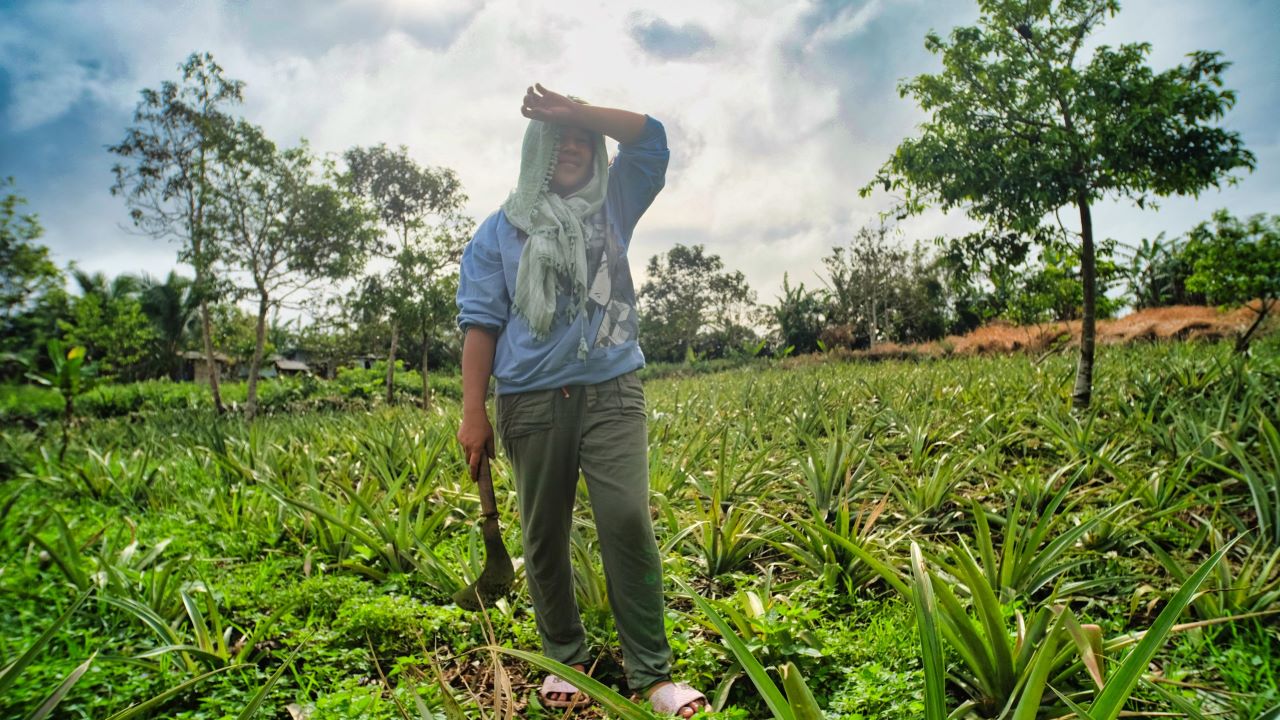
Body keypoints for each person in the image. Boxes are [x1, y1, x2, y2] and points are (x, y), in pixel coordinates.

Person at [455, 84, 707, 718]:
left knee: (626, 519)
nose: (569, 146)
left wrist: (574, 111)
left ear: (595, 148)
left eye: (580, 138)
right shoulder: (500, 232)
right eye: (556, 137)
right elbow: (480, 323)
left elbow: (650, 135)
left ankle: (651, 673)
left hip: (612, 389)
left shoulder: (614, 202)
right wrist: (473, 411)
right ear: (533, 152)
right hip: (531, 400)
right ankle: (564, 656)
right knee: (544, 534)